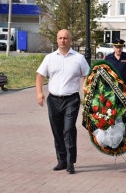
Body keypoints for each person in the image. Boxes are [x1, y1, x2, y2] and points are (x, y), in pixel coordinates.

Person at [35, 29, 90, 174]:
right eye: (60, 38)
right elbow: (40, 76)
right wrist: (39, 93)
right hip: (53, 100)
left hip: (71, 99)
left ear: (70, 40)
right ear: (57, 40)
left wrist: (84, 86)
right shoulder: (50, 58)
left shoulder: (79, 58)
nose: (62, 40)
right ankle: (62, 160)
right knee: (57, 131)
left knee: (69, 129)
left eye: (65, 38)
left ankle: (71, 162)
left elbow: (87, 74)